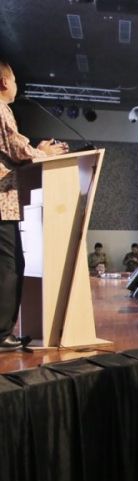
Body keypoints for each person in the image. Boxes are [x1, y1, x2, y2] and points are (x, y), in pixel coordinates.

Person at [0, 60, 68, 351]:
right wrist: (43, 152)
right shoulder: (1, 109)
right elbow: (17, 149)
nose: (17, 85)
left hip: (6, 204)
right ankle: (2, 334)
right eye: (14, 79)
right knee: (9, 268)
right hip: (2, 205)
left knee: (13, 265)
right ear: (4, 81)